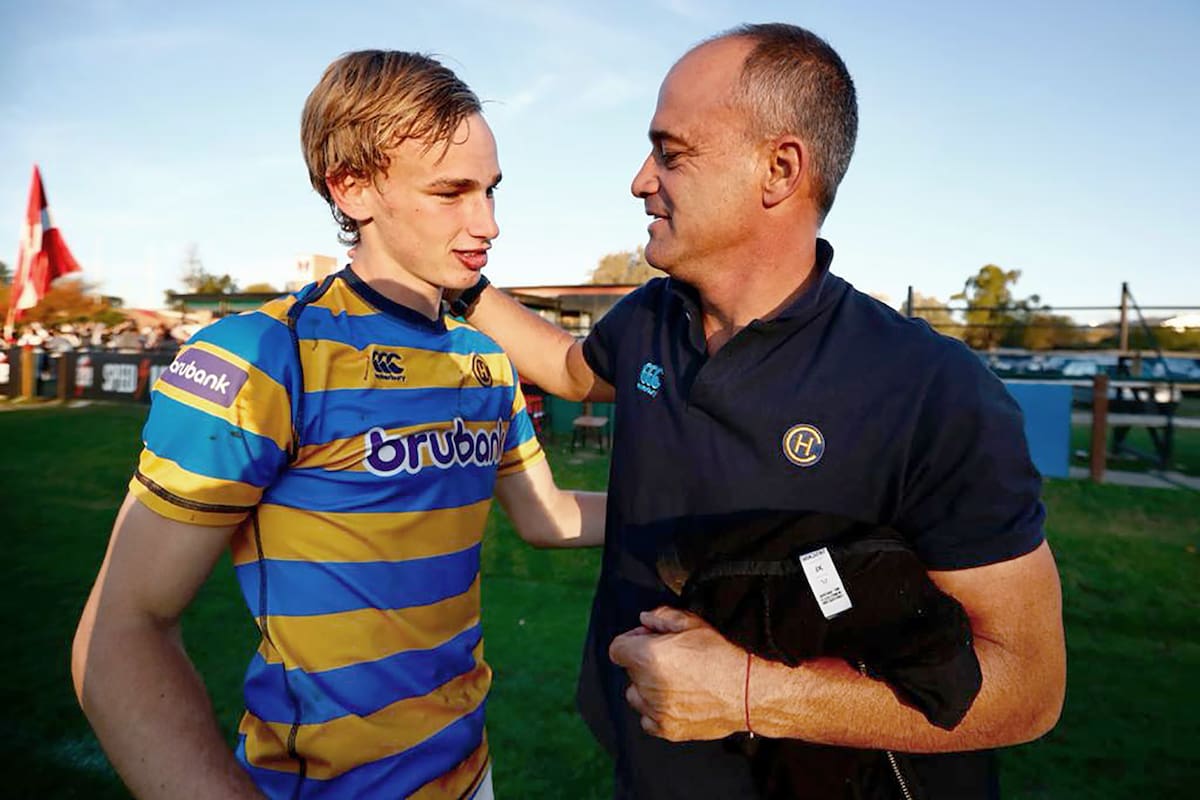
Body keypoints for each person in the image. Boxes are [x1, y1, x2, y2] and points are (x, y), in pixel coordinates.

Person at [457, 23, 1065, 799]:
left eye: (670, 152)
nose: (641, 179)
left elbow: (1029, 686)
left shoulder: (929, 392)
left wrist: (749, 695)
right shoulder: (650, 320)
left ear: (779, 169)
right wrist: (463, 285)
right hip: (644, 771)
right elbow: (570, 370)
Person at [71, 50, 605, 800]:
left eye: (490, 189)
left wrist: (698, 509)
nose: (488, 222)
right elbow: (120, 634)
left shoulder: (485, 359)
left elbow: (546, 516)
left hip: (473, 772)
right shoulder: (262, 356)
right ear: (352, 188)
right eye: (451, 191)